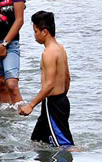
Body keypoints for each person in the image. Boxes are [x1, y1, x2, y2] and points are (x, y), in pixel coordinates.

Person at [18, 11, 74, 147]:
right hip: (60, 101)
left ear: (44, 31)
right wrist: (62, 97)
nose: (34, 36)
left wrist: (31, 105)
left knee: (64, 146)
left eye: (35, 31)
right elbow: (67, 77)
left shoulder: (48, 53)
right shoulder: (60, 49)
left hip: (52, 104)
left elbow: (49, 85)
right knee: (36, 141)